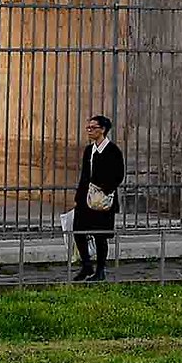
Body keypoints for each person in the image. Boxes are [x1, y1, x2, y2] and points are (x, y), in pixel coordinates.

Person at [71, 113, 123, 282]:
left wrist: (102, 187)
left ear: (103, 130)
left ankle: (100, 270)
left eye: (93, 128)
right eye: (89, 127)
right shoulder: (89, 150)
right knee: (78, 230)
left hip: (103, 200)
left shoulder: (113, 151)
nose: (89, 130)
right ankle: (86, 265)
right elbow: (84, 175)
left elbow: (118, 175)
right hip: (86, 199)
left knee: (100, 235)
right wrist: (79, 196)